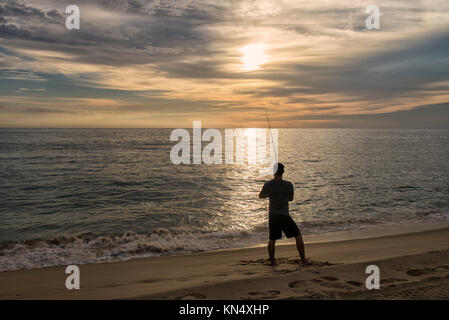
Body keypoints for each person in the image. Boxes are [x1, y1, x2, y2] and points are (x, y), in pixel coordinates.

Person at [259, 163, 308, 266]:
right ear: (283, 172)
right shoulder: (289, 185)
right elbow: (291, 199)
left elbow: (261, 196)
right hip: (284, 215)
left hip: (273, 216)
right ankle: (303, 260)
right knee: (297, 236)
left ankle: (272, 261)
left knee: (272, 239)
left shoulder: (268, 184)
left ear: (273, 172)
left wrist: (270, 194)